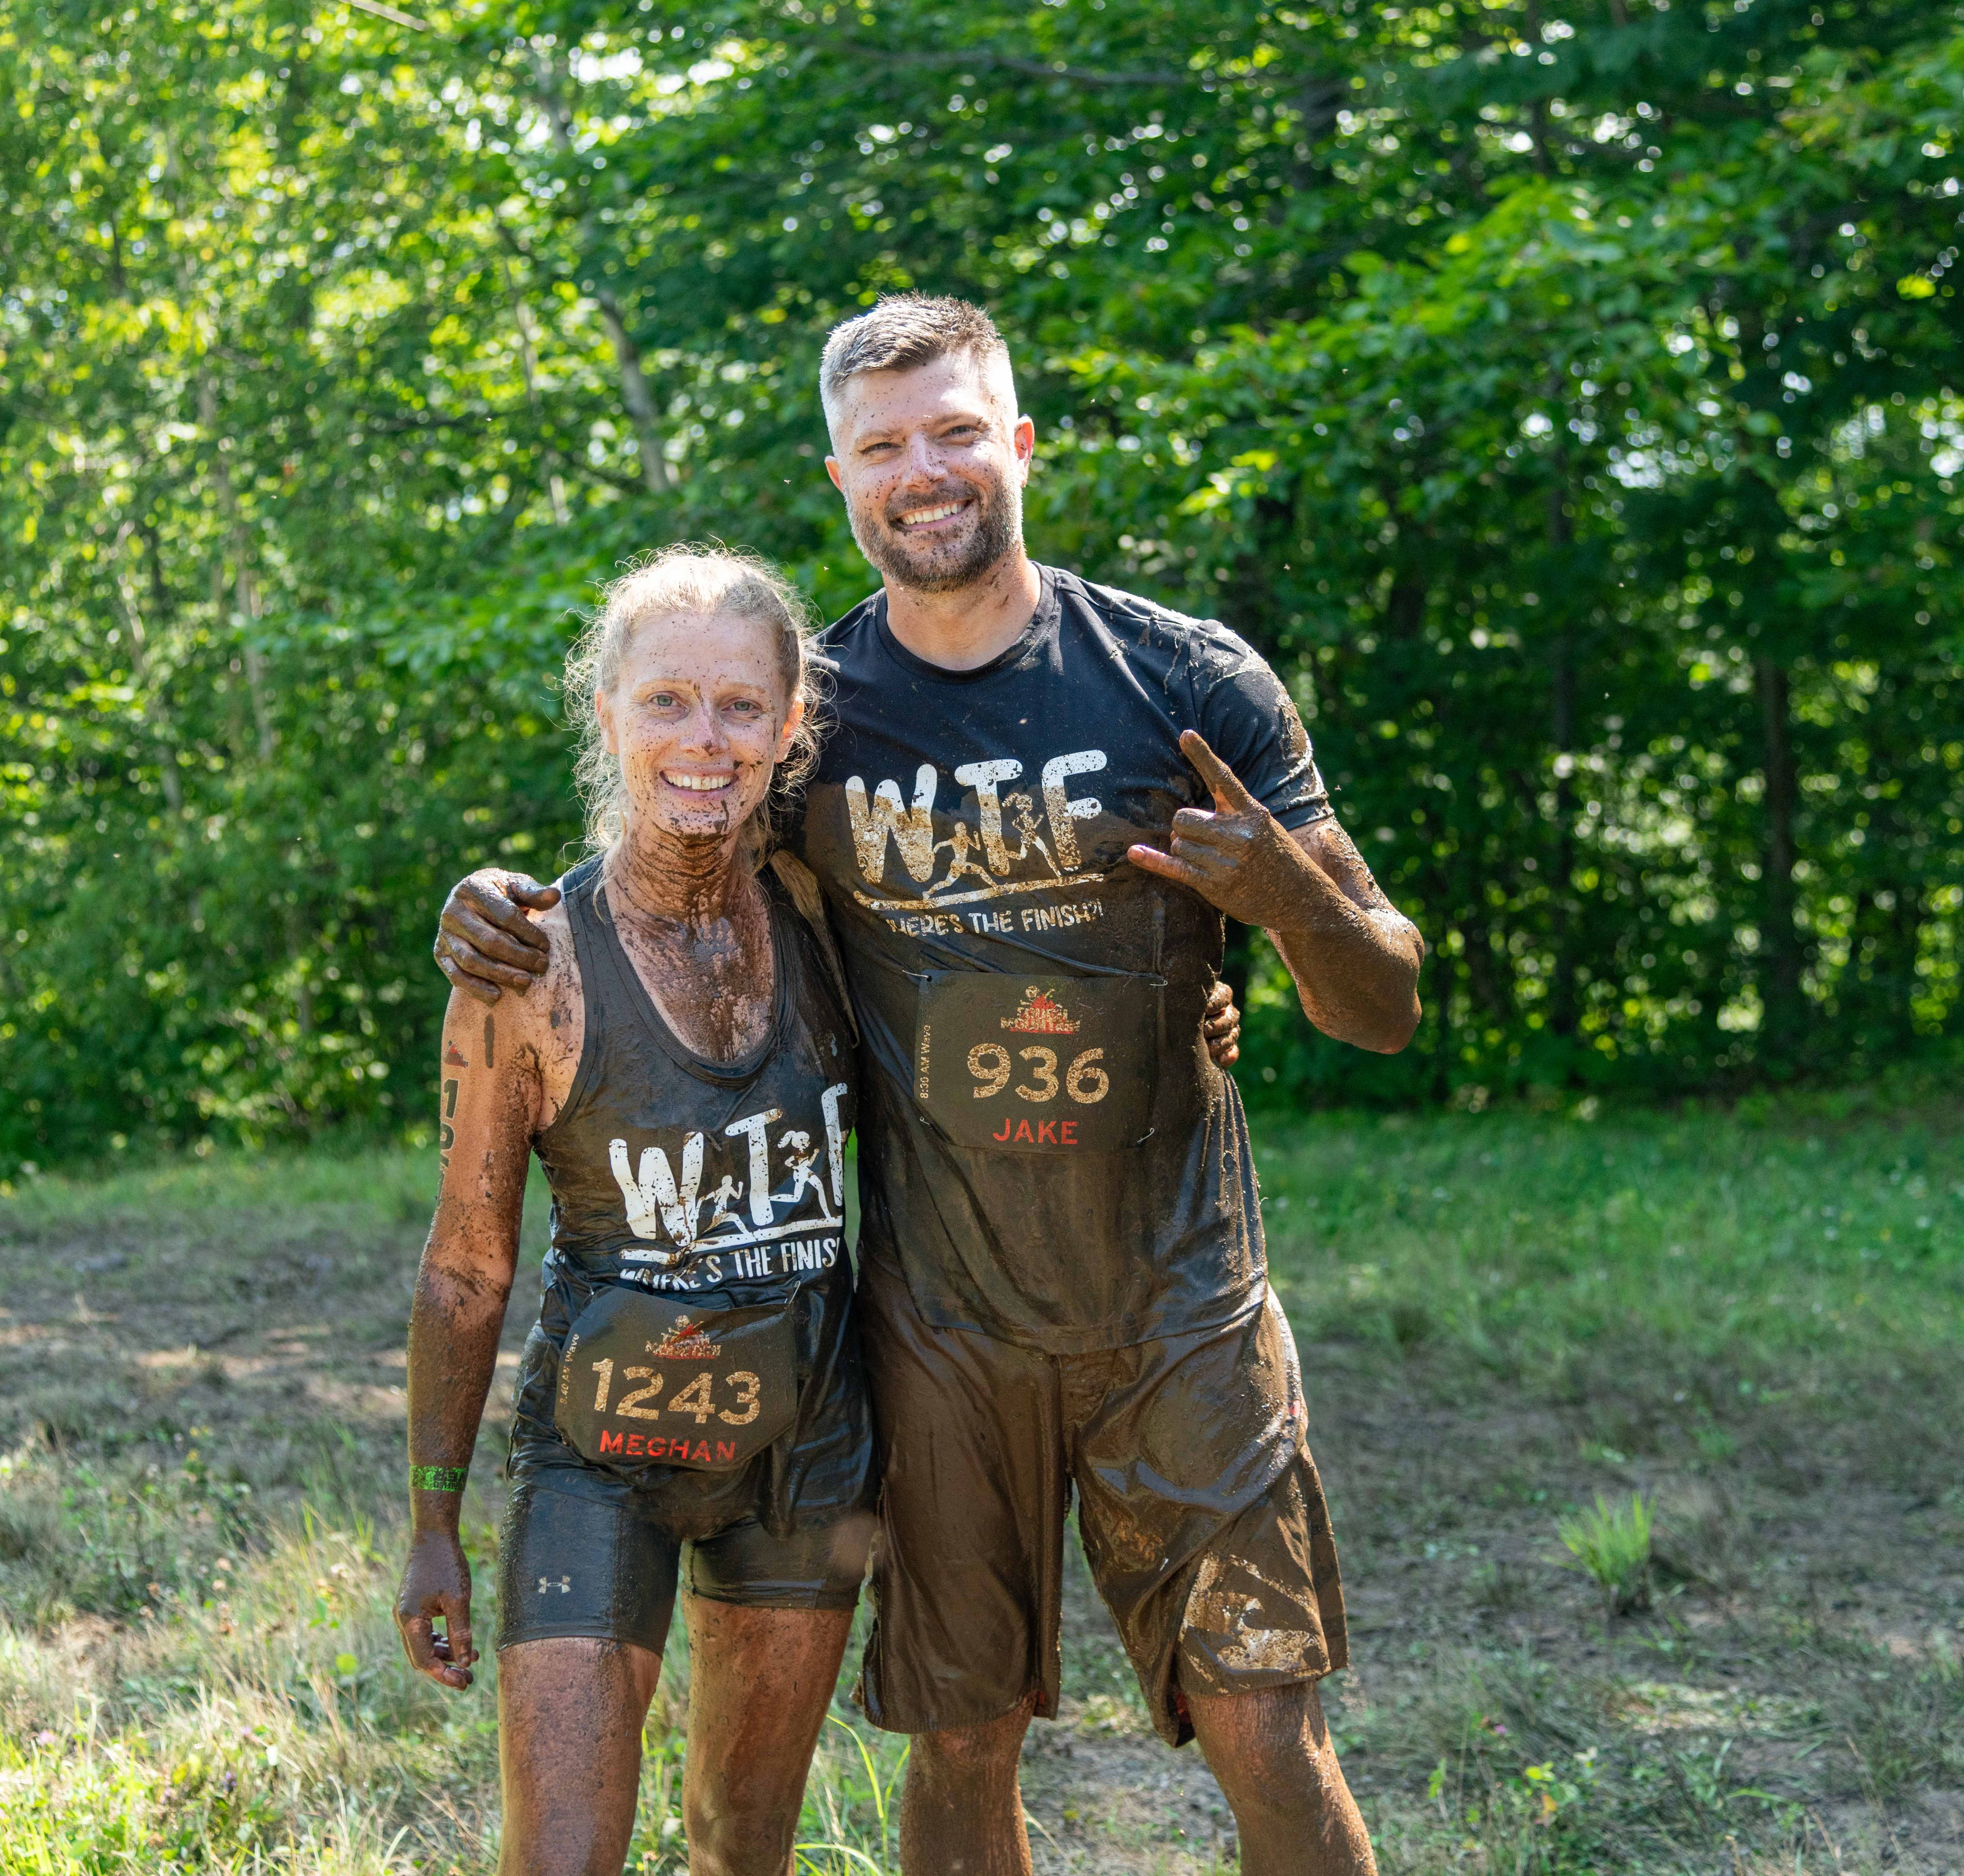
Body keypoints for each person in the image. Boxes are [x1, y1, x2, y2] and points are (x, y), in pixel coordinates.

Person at [436, 296, 1425, 1876]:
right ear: (840, 478)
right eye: (884, 445)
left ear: (1016, 443)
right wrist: (490, 902)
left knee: (1266, 1733)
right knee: (963, 1744)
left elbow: (1382, 1001)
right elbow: (667, 886)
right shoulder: (811, 716)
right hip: (939, 1334)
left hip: (1181, 1314)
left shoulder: (1183, 679)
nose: (927, 470)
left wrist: (1286, 906)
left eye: (957, 429)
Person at [400, 548, 877, 1876]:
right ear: (604, 712)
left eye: (740, 707)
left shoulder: (839, 912)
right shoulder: (529, 962)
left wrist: (1194, 1017)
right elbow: (464, 1268)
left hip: (807, 1454)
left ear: (792, 729)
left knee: (744, 1853)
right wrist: (435, 1519)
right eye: (667, 701)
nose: (704, 741)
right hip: (599, 1455)